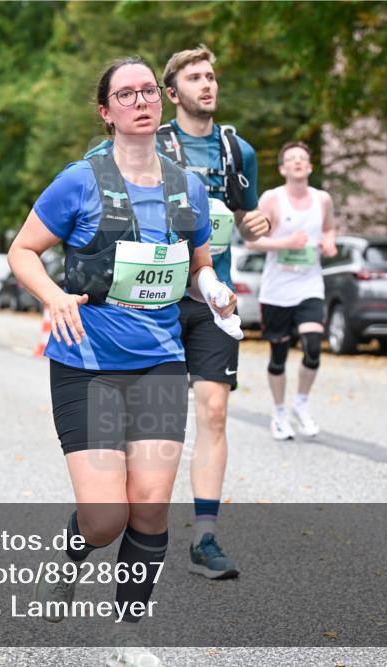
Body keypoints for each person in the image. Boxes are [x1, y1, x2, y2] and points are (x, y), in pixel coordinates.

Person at [9, 57, 234, 667]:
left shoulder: (187, 185)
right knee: (106, 516)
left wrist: (213, 290)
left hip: (160, 361)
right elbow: (23, 250)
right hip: (86, 363)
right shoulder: (78, 181)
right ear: (107, 111)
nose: (140, 101)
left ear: (159, 103)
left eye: (146, 92)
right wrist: (53, 295)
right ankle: (75, 550)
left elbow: (200, 262)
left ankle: (129, 631)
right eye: (124, 94)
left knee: (153, 504)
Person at [86, 45, 269, 580]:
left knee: (212, 412)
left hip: (213, 297)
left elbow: (246, 217)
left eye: (211, 76)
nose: (207, 85)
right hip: (152, 300)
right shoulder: (150, 142)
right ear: (172, 93)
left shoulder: (240, 151)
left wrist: (257, 227)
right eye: (195, 77)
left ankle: (205, 537)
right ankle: (119, 508)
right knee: (142, 418)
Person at [246, 141, 337, 440]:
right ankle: (279, 412)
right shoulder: (273, 199)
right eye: (291, 159)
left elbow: (328, 228)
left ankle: (301, 403)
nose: (298, 162)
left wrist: (329, 243)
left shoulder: (322, 199)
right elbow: (251, 241)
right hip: (277, 289)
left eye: (303, 158)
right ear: (283, 168)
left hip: (309, 283)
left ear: (310, 167)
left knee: (313, 347)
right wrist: (285, 243)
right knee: (279, 355)